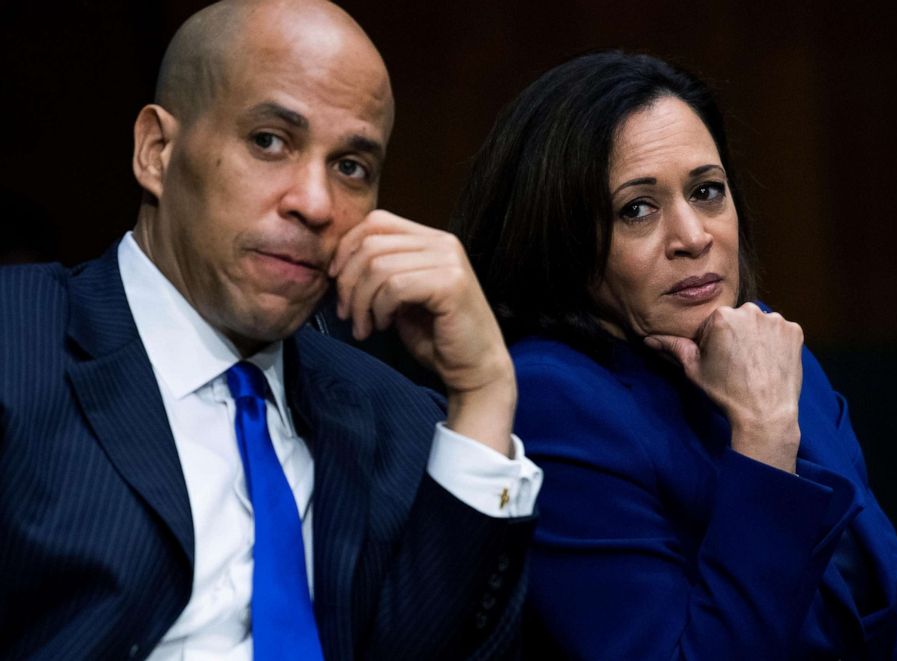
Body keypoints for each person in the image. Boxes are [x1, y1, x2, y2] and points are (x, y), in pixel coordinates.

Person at [0, 1, 542, 659]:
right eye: (269, 141)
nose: (315, 204)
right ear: (157, 151)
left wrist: (484, 390)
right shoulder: (18, 341)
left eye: (351, 167)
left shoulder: (394, 422)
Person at [453, 51, 897, 659]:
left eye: (706, 191)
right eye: (637, 209)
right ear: (559, 239)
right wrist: (763, 435)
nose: (694, 237)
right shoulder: (551, 400)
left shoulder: (765, 347)